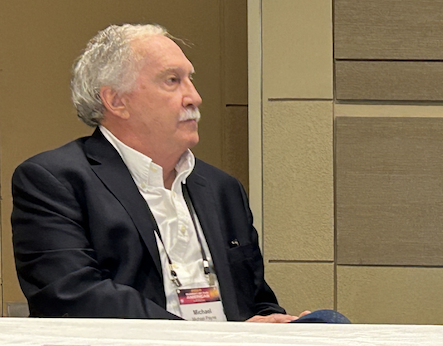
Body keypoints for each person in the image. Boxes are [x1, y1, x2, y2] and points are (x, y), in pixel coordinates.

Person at [12, 24, 346, 323]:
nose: (194, 97)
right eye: (172, 81)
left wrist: (275, 323)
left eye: (190, 79)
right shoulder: (55, 180)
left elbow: (255, 301)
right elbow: (74, 298)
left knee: (329, 324)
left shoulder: (222, 188)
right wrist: (212, 339)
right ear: (116, 101)